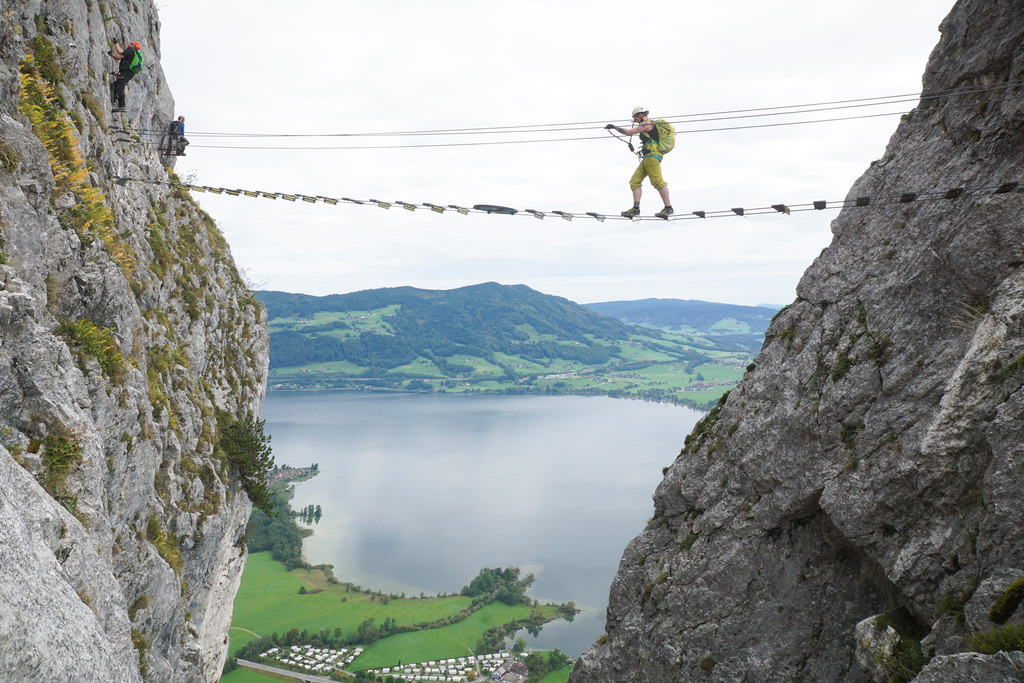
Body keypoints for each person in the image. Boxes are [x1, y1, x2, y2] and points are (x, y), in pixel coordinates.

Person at [606, 106, 673, 218]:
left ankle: (668, 208)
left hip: (652, 156)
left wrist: (614, 127)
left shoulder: (646, 124)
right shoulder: (648, 124)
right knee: (634, 181)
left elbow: (628, 132)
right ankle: (636, 209)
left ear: (641, 115)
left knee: (657, 181)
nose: (635, 120)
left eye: (635, 118)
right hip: (648, 157)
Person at [107, 39, 143, 112]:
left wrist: (112, 55)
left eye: (131, 44)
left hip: (126, 72)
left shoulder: (129, 51)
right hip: (129, 73)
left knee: (121, 87)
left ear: (133, 46)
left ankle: (122, 106)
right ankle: (115, 98)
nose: (129, 44)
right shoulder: (131, 52)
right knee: (114, 85)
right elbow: (120, 52)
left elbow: (118, 57)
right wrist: (115, 43)